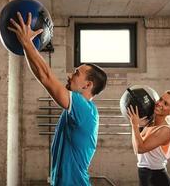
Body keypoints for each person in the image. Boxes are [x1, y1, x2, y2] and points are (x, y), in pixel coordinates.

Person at [8, 12, 107, 186]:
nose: (70, 75)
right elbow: (42, 77)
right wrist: (26, 47)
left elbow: (46, 77)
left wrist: (27, 42)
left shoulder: (83, 108)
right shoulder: (79, 107)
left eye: (76, 73)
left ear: (87, 85)